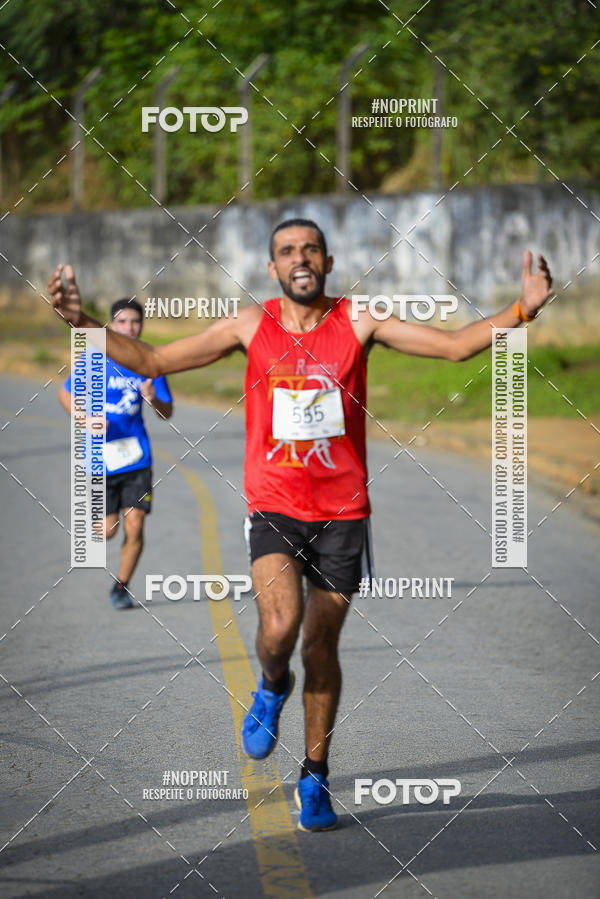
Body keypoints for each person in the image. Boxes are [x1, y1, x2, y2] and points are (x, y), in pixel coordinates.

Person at [49, 219, 552, 829]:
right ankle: (270, 683)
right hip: (274, 505)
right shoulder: (248, 325)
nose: (300, 258)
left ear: (330, 260)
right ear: (272, 269)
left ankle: (314, 777)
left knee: (321, 646)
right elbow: (154, 358)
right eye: (287, 251)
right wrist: (82, 325)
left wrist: (520, 311)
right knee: (280, 627)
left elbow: (451, 345)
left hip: (343, 515)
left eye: (310, 248)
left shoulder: (359, 320)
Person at [58, 298, 173, 609]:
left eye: (135, 322)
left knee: (135, 524)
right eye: (122, 322)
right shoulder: (96, 358)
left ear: (142, 325)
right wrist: (86, 419)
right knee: (107, 531)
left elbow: (166, 412)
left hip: (137, 458)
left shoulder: (150, 363)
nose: (129, 328)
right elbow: (66, 393)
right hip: (100, 459)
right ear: (110, 326)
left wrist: (153, 398)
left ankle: (121, 586)